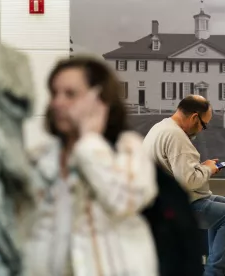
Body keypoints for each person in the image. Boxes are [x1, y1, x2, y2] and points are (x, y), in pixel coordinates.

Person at [22, 56, 159, 276]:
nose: (58, 103)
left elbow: (125, 201)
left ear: (100, 99)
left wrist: (89, 141)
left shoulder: (127, 147)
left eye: (70, 94)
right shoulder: (40, 157)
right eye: (54, 93)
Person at [143, 95, 225, 276]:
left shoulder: (160, 127)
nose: (201, 130)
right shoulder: (177, 137)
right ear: (194, 117)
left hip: (159, 200)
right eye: (203, 125)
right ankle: (214, 272)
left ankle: (209, 265)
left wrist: (202, 167)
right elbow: (188, 181)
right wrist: (209, 170)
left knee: (221, 203)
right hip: (175, 205)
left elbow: (177, 171)